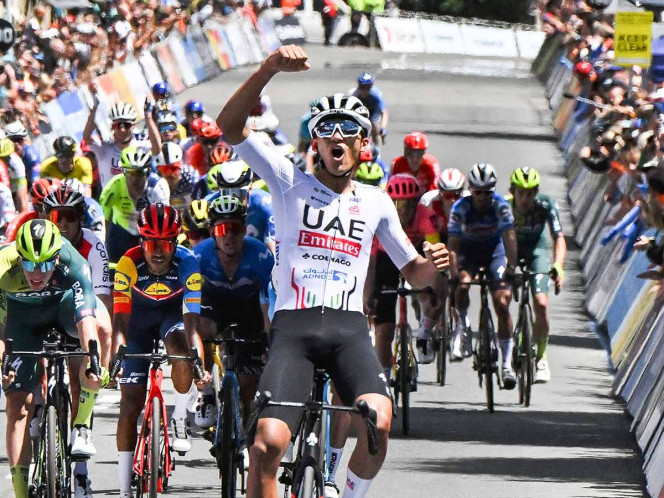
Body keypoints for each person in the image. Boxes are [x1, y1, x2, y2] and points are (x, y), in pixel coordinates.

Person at [217, 45, 449, 498]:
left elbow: (414, 273)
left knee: (378, 421)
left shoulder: (377, 202)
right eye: (327, 131)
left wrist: (434, 267)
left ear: (364, 145)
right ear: (316, 143)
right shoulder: (288, 181)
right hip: (293, 332)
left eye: (350, 132)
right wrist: (267, 69)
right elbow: (228, 127)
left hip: (348, 332)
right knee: (266, 446)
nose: (338, 138)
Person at [112, 203, 210, 498]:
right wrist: (116, 356)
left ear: (175, 242)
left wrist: (198, 366)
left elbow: (192, 322)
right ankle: (123, 485)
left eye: (165, 244)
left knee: (181, 351)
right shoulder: (127, 263)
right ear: (141, 242)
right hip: (137, 323)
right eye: (151, 244)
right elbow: (120, 321)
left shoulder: (189, 262)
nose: (157, 253)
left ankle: (180, 415)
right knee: (130, 405)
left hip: (172, 318)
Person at [0, 220, 103, 498]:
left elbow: (86, 321)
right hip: (21, 320)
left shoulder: (74, 263)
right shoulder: (2, 266)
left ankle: (81, 425)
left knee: (100, 334)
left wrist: (93, 360)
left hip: (63, 308)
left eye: (45, 265)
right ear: (18, 257)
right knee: (16, 405)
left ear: (56, 258)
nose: (37, 273)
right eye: (30, 264)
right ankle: (21, 492)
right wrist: (2, 366)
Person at [42, 184, 113, 496]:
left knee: (78, 376)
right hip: (43, 308)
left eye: (70, 217)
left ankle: (81, 463)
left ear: (80, 219)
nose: (62, 223)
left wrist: (93, 341)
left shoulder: (93, 245)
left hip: (79, 312)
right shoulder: (39, 238)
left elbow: (100, 302)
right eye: (57, 216)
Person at [193, 195, 273, 431]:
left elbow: (268, 301)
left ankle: (247, 438)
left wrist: (268, 340)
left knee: (250, 387)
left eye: (236, 229)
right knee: (203, 328)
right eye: (222, 229)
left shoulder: (260, 256)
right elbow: (188, 303)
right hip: (213, 303)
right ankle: (206, 392)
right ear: (212, 232)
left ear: (244, 230)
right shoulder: (198, 255)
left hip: (249, 307)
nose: (229, 236)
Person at [447, 163, 518, 385]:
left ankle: (507, 364)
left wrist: (511, 268)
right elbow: (453, 245)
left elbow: (509, 238)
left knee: (502, 301)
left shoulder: (501, 206)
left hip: (494, 253)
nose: (482, 198)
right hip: (469, 252)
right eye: (477, 192)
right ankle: (463, 325)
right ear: (470, 190)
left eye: (487, 192)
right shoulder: (460, 208)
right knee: (463, 285)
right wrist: (453, 272)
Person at [371, 173, 441, 372]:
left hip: (417, 255)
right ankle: (384, 378)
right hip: (386, 260)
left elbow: (435, 255)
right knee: (384, 330)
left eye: (409, 204)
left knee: (432, 295)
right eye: (398, 204)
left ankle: (425, 330)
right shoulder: (380, 219)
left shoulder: (427, 216)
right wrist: (368, 296)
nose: (404, 210)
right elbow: (371, 263)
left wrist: (434, 288)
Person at [506, 167, 566, 383]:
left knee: (540, 304)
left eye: (530, 193)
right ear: (512, 191)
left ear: (536, 192)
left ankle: (541, 357)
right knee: (500, 298)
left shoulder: (545, 204)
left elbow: (559, 237)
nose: (525, 198)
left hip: (535, 251)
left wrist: (558, 265)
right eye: (520, 192)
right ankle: (505, 349)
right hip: (508, 250)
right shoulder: (503, 205)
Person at [99, 145, 170, 264]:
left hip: (149, 233)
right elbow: (102, 221)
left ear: (148, 172)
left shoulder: (158, 187)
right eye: (129, 172)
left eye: (139, 173)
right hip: (121, 232)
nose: (134, 179)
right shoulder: (113, 186)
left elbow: (164, 222)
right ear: (122, 171)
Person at [83, 99, 161, 187]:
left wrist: (148, 117)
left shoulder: (141, 147)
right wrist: (95, 107)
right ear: (112, 127)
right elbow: (87, 137)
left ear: (133, 126)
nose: (122, 130)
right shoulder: (104, 149)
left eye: (127, 125)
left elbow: (157, 148)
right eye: (118, 125)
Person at [204, 160, 276, 253]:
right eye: (226, 194)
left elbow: (274, 254)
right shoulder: (208, 204)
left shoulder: (265, 205)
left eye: (238, 193)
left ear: (250, 188)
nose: (234, 200)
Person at [420, 168, 466, 243]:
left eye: (456, 195)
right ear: (440, 193)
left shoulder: (470, 202)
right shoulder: (428, 202)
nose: (452, 200)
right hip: (438, 238)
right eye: (447, 195)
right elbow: (432, 241)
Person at [155, 142, 199, 211]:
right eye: (165, 169)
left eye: (173, 168)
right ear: (159, 170)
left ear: (180, 165)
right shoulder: (155, 181)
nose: (169, 173)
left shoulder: (190, 176)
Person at [350, 72, 388, 146]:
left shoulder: (376, 95)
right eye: (361, 87)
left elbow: (384, 113)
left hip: (373, 109)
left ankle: (376, 150)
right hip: (360, 110)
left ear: (371, 87)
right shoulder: (354, 94)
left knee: (374, 126)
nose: (364, 91)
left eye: (367, 88)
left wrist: (383, 128)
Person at [4, 121, 41, 186]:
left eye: (18, 139)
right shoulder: (4, 155)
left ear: (24, 140)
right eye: (12, 140)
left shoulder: (32, 155)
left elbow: (35, 181)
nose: (16, 144)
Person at [0, 138, 29, 213]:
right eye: (1, 158)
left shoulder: (17, 164)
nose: (3, 160)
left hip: (14, 190)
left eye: (6, 157)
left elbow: (22, 199)